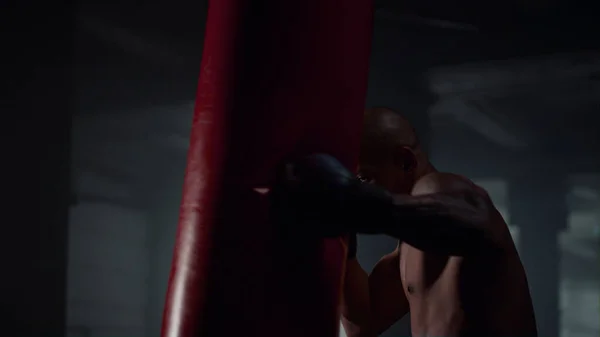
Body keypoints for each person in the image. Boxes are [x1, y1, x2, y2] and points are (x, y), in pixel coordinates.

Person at [273, 107, 538, 337]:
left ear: (406, 161)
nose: (362, 187)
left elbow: (473, 221)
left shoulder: (440, 186)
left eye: (365, 178)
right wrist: (345, 241)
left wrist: (357, 201)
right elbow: (362, 326)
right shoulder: (408, 250)